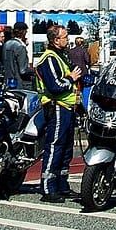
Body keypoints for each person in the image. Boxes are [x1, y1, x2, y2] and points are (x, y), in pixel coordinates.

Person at [34, 24, 81, 202]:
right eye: (64, 37)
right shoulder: (49, 58)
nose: (67, 40)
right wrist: (71, 78)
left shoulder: (62, 56)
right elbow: (55, 86)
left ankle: (62, 185)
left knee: (67, 148)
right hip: (56, 106)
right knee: (55, 146)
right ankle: (48, 188)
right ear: (55, 40)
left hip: (68, 107)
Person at [2, 21, 33, 89]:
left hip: (7, 82)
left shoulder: (6, 44)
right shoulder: (20, 47)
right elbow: (23, 70)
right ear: (23, 32)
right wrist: (34, 70)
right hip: (19, 84)